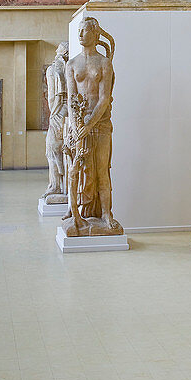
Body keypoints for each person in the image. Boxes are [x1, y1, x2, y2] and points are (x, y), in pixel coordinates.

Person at [63, 17, 119, 236]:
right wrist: (77, 124)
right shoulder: (72, 64)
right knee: (78, 170)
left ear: (96, 35)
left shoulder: (104, 63)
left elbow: (105, 98)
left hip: (101, 123)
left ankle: (106, 214)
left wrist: (90, 123)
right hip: (78, 123)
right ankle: (75, 210)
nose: (80, 34)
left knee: (102, 170)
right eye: (79, 30)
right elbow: (70, 98)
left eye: (85, 30)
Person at [42, 42, 69, 200]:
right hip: (65, 111)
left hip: (59, 112)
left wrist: (54, 113)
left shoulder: (53, 69)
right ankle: (59, 185)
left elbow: (53, 96)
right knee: (58, 149)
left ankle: (57, 186)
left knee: (52, 148)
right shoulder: (68, 67)